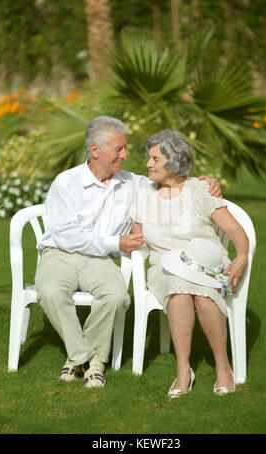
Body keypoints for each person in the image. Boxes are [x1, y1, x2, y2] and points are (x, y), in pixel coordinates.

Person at [35, 117, 221, 389]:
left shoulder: (133, 183)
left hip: (99, 260)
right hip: (59, 254)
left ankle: (80, 359)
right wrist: (115, 243)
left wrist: (205, 183)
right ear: (95, 150)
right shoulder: (66, 183)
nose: (125, 155)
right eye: (119, 149)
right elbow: (67, 236)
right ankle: (88, 358)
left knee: (117, 297)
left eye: (125, 148)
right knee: (51, 293)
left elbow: (171, 176)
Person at [129, 129, 249, 397]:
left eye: (155, 159)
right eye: (149, 158)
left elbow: (235, 231)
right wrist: (128, 245)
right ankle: (183, 370)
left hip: (206, 260)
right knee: (179, 284)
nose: (148, 163)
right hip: (163, 266)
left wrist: (241, 257)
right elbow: (137, 241)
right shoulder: (143, 195)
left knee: (201, 292)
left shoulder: (200, 189)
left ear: (174, 162)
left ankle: (222, 367)